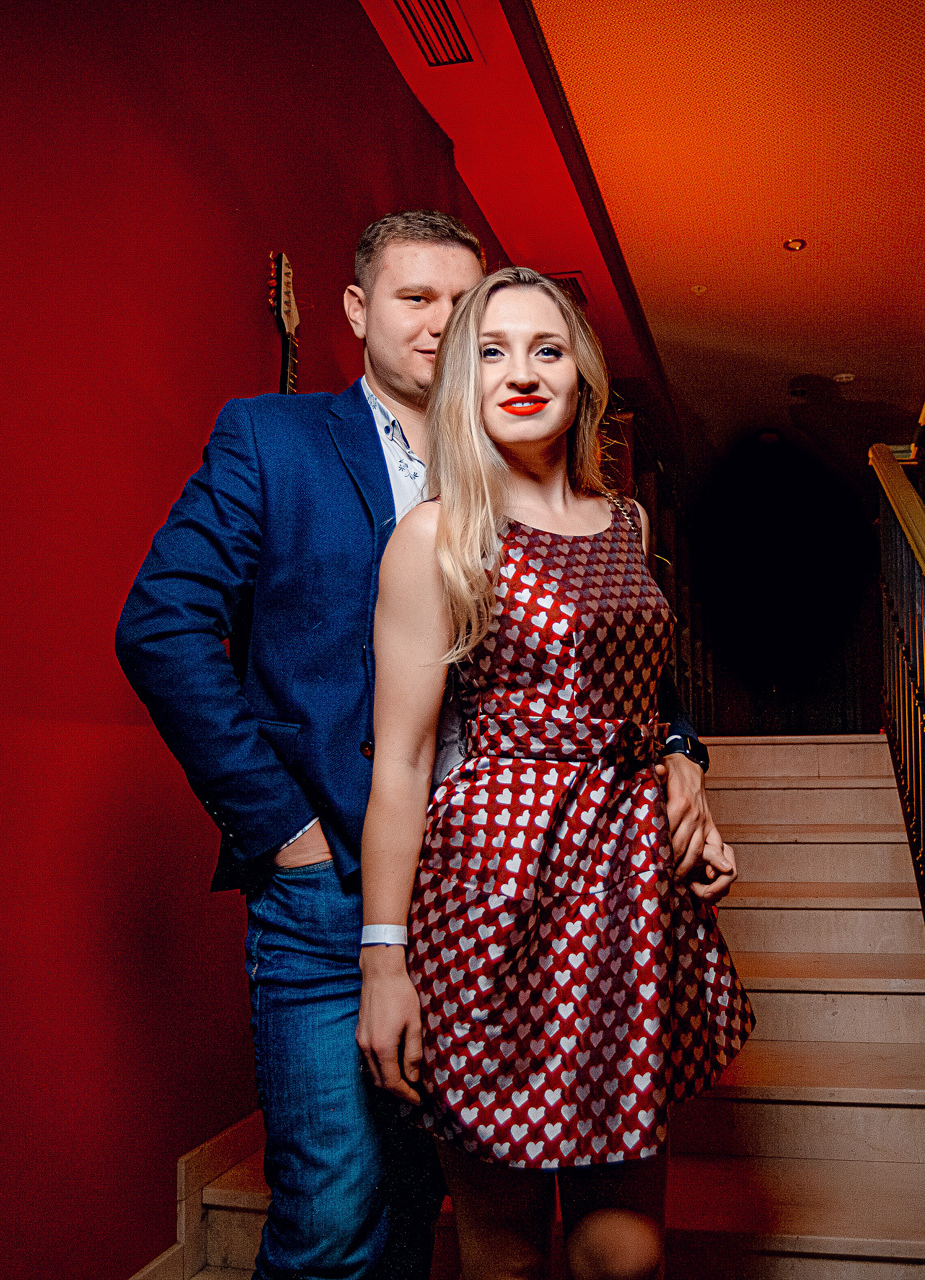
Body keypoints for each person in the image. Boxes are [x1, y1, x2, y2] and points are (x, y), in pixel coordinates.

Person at [116, 214, 722, 1280]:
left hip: (534, 894)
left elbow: (610, 665)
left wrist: (678, 753)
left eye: (464, 303)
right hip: (341, 879)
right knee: (335, 1214)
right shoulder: (276, 441)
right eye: (416, 299)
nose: (445, 324)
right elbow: (161, 625)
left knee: (421, 1204)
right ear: (357, 311)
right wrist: (287, 832)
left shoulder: (556, 482)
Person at [356, 267, 752, 1280]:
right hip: (496, 891)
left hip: (627, 894)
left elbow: (644, 702)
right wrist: (384, 962)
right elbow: (401, 763)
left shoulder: (628, 522)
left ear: (583, 377)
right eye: (492, 351)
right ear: (462, 377)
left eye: (547, 349)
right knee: (505, 1252)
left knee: (626, 1246)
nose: (522, 372)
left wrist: (683, 781)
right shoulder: (437, 534)